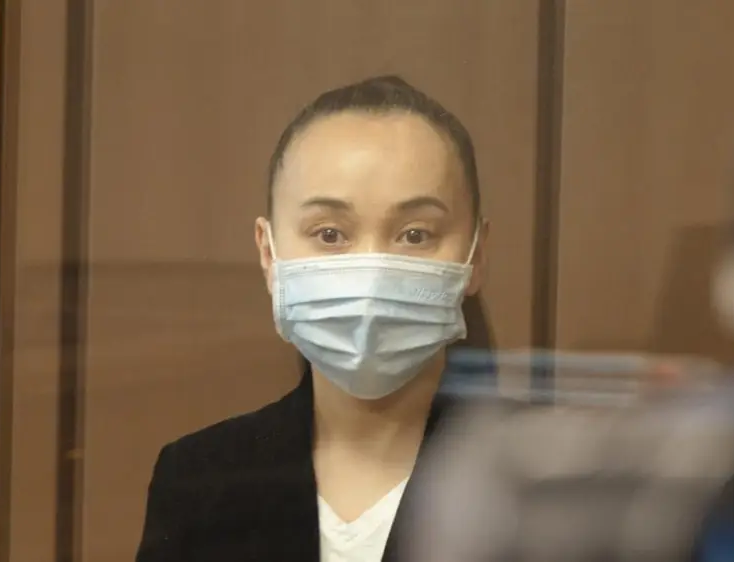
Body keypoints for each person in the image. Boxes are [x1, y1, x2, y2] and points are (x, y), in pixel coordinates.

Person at [135, 75, 489, 562]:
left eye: (414, 234)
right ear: (268, 253)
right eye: (329, 234)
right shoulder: (199, 479)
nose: (371, 271)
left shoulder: (543, 484)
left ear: (476, 255)